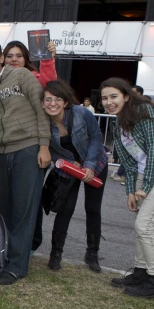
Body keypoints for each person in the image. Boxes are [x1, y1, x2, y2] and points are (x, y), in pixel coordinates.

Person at [0, 40, 50, 285]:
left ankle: (17, 266)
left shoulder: (21, 75)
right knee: (2, 209)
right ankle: (2, 256)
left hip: (28, 148)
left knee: (23, 210)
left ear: (2, 58)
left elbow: (41, 109)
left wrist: (44, 145)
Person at [102, 78, 154, 300]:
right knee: (140, 226)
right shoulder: (119, 123)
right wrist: (131, 191)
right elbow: (129, 164)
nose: (108, 102)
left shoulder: (145, 112)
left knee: (144, 225)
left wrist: (146, 186)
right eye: (104, 98)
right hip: (143, 174)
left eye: (114, 96)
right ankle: (140, 273)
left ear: (126, 96)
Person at [34, 81, 108, 272]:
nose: (52, 103)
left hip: (95, 164)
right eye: (48, 99)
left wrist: (89, 165)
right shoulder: (43, 124)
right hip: (68, 168)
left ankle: (92, 254)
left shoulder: (82, 113)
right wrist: (68, 162)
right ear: (42, 103)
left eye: (57, 99)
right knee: (65, 209)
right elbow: (49, 149)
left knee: (92, 209)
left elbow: (96, 138)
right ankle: (55, 254)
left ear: (65, 101)